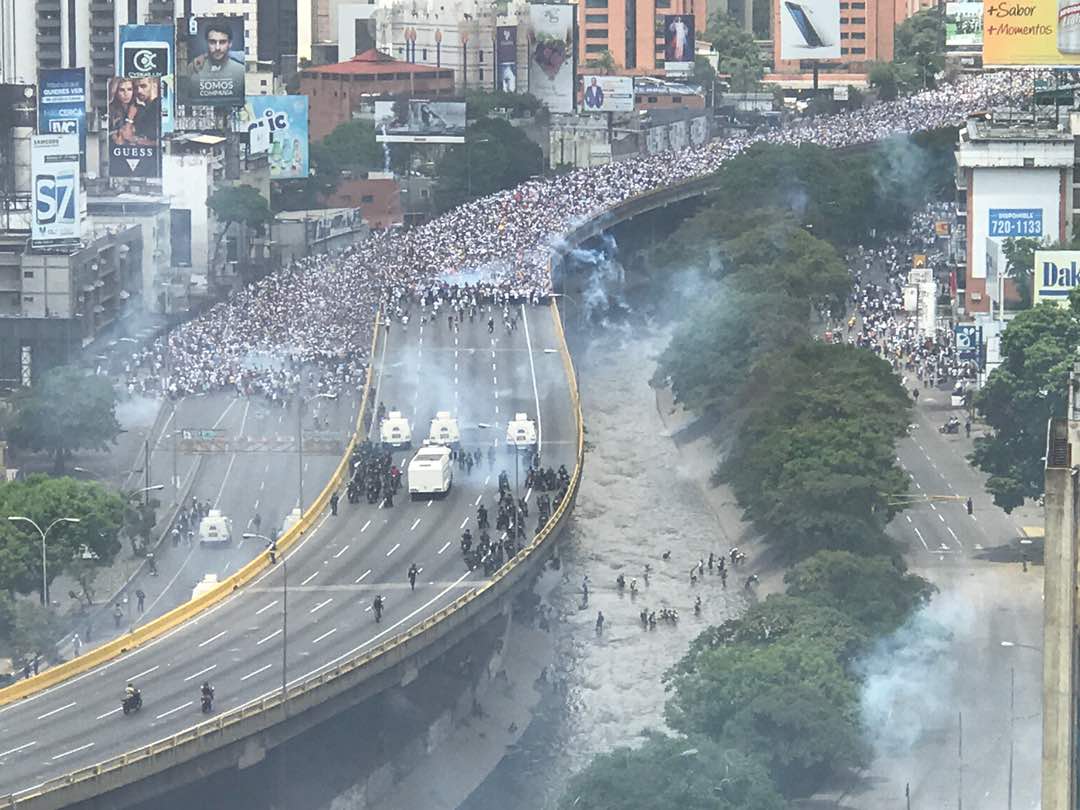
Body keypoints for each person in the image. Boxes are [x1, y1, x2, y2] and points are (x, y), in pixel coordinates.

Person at [183, 20, 245, 103]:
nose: (217, 47)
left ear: (230, 44)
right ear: (207, 43)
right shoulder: (193, 69)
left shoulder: (242, 71)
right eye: (212, 42)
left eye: (222, 42)